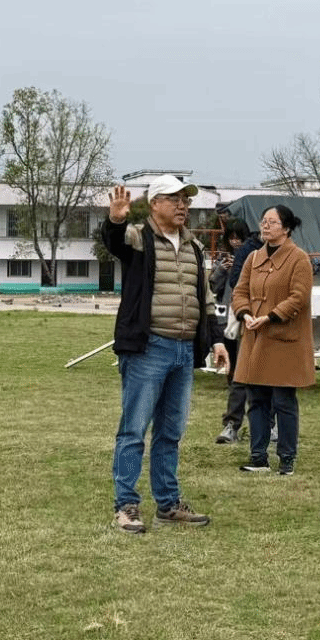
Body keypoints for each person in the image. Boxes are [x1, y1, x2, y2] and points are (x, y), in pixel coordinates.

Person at [100, 174, 229, 534]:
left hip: (184, 351)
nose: (182, 206)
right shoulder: (138, 238)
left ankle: (168, 504)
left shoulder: (194, 247)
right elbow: (114, 243)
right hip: (148, 348)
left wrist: (217, 340)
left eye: (186, 200)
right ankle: (126, 506)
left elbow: (206, 298)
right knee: (133, 431)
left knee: (170, 432)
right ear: (155, 204)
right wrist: (115, 220)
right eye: (174, 199)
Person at [231, 205, 315, 475]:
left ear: (286, 228)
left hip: (283, 339)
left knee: (283, 401)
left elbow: (298, 297)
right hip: (255, 338)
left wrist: (270, 317)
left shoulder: (299, 259)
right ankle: (258, 458)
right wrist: (244, 313)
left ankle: (287, 459)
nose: (265, 226)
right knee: (256, 400)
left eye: (272, 222)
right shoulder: (253, 257)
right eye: (263, 221)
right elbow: (239, 291)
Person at [213, 217, 258, 444]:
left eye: (238, 238)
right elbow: (214, 286)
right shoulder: (225, 259)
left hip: (253, 319)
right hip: (229, 319)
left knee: (256, 376)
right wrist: (223, 270)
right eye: (230, 238)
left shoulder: (255, 254)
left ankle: (267, 425)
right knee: (236, 373)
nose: (235, 242)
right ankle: (232, 424)